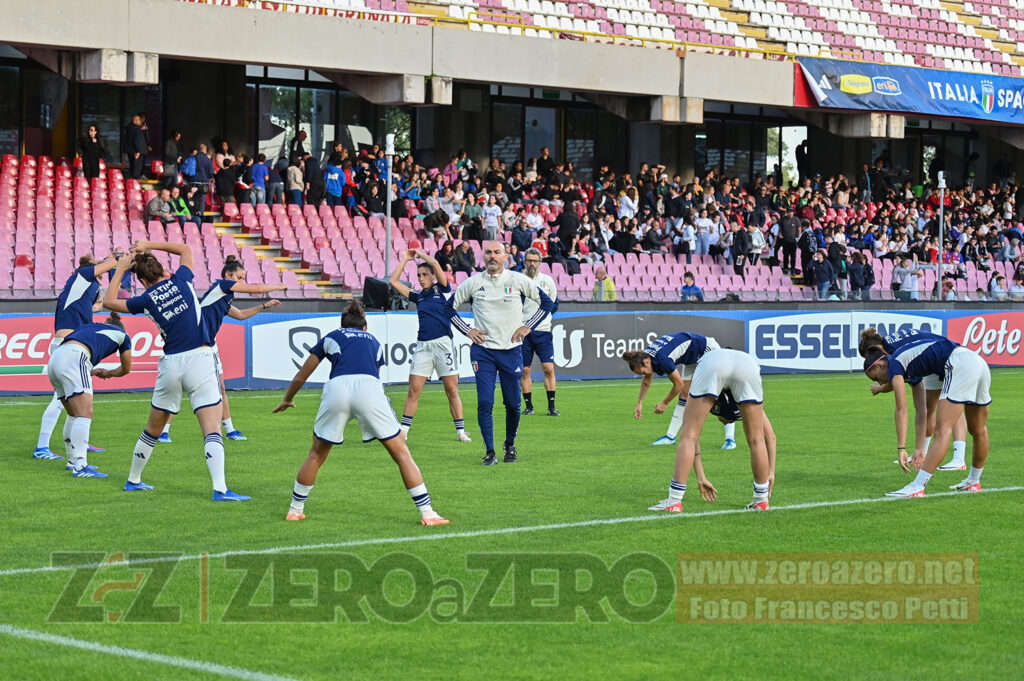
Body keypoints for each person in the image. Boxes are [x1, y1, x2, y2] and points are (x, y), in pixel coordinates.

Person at [273, 300, 449, 526]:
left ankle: (295, 509)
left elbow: (302, 375)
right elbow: (374, 375)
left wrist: (288, 398)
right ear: (364, 327)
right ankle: (428, 514)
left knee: (316, 454)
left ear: (343, 324)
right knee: (401, 453)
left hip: (337, 388)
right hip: (369, 389)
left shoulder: (332, 336)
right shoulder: (374, 341)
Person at [103, 241, 249, 501]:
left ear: (144, 281)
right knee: (211, 428)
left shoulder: (145, 299)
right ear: (163, 272)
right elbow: (186, 249)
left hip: (170, 364)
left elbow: (109, 302)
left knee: (152, 429)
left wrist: (120, 269)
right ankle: (220, 489)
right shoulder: (182, 280)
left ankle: (133, 480)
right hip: (199, 358)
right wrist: (149, 244)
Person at [446, 241, 554, 465]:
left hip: (511, 350)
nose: (492, 256)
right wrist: (468, 330)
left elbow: (547, 303)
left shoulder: (518, 280)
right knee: (485, 403)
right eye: (488, 253)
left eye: (497, 252)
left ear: (506, 257)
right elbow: (447, 308)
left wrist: (528, 326)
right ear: (482, 257)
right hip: (483, 352)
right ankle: (490, 451)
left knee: (513, 404)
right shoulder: (473, 282)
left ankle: (510, 444)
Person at [158, 256, 287, 443]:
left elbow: (241, 315)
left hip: (209, 344)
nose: (242, 282)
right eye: (240, 278)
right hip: (195, 343)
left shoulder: (223, 297)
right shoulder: (221, 286)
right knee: (179, 387)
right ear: (228, 275)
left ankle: (230, 430)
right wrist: (280, 285)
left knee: (221, 388)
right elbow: (257, 289)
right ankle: (164, 431)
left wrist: (264, 306)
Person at [640, 347, 775, 511]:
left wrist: (700, 478)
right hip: (747, 364)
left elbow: (692, 439)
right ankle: (761, 500)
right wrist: (770, 472)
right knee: (756, 439)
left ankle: (674, 501)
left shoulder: (714, 372)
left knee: (688, 435)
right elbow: (769, 436)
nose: (724, 423)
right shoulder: (742, 399)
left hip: (714, 361)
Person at [862, 332, 990, 498]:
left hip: (959, 364)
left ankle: (917, 486)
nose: (879, 383)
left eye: (875, 378)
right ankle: (973, 481)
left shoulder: (894, 363)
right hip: (977, 361)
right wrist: (919, 449)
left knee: (942, 431)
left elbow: (902, 409)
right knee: (979, 430)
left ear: (879, 365)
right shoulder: (913, 364)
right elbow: (921, 411)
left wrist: (901, 449)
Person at [32, 254, 118, 460]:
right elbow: (109, 265)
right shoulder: (82, 275)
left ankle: (80, 442)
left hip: (75, 349)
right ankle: (42, 447)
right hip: (66, 347)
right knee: (61, 400)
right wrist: (117, 257)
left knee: (79, 398)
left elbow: (95, 307)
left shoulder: (80, 291)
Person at [388, 249, 471, 443]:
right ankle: (404, 431)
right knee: (414, 390)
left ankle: (460, 431)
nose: (421, 278)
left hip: (443, 346)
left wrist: (421, 255)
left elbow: (434, 263)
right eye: (418, 276)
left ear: (433, 276)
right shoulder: (418, 296)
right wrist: (405, 259)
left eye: (425, 275)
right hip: (423, 347)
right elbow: (393, 281)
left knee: (452, 390)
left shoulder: (442, 289)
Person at [859, 327, 969, 472]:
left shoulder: (893, 352)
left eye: (872, 354)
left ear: (877, 348)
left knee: (951, 406)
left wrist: (880, 388)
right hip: (935, 359)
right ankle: (920, 452)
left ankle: (958, 458)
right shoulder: (890, 348)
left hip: (947, 356)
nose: (873, 358)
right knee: (928, 408)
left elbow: (899, 381)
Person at [46, 312, 133, 477]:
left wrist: (93, 371)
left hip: (55, 359)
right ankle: (80, 466)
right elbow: (126, 368)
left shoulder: (89, 327)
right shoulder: (123, 336)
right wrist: (108, 373)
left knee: (73, 414)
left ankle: (72, 461)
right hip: (75, 357)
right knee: (85, 414)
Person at [622, 332, 738, 450]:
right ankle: (670, 437)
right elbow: (647, 379)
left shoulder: (662, 359)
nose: (644, 375)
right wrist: (639, 403)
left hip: (707, 349)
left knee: (720, 390)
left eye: (642, 372)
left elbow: (678, 384)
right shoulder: (645, 356)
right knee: (685, 394)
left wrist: (664, 403)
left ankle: (730, 439)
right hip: (691, 358)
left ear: (646, 362)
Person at [519, 248, 560, 417]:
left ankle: (551, 407)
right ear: (525, 261)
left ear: (540, 263)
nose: (532, 264)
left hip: (543, 331)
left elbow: (554, 304)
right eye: (529, 260)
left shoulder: (547, 281)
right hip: (523, 331)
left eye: (535, 261)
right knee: (525, 370)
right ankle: (529, 406)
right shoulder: (517, 279)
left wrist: (543, 318)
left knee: (548, 368)